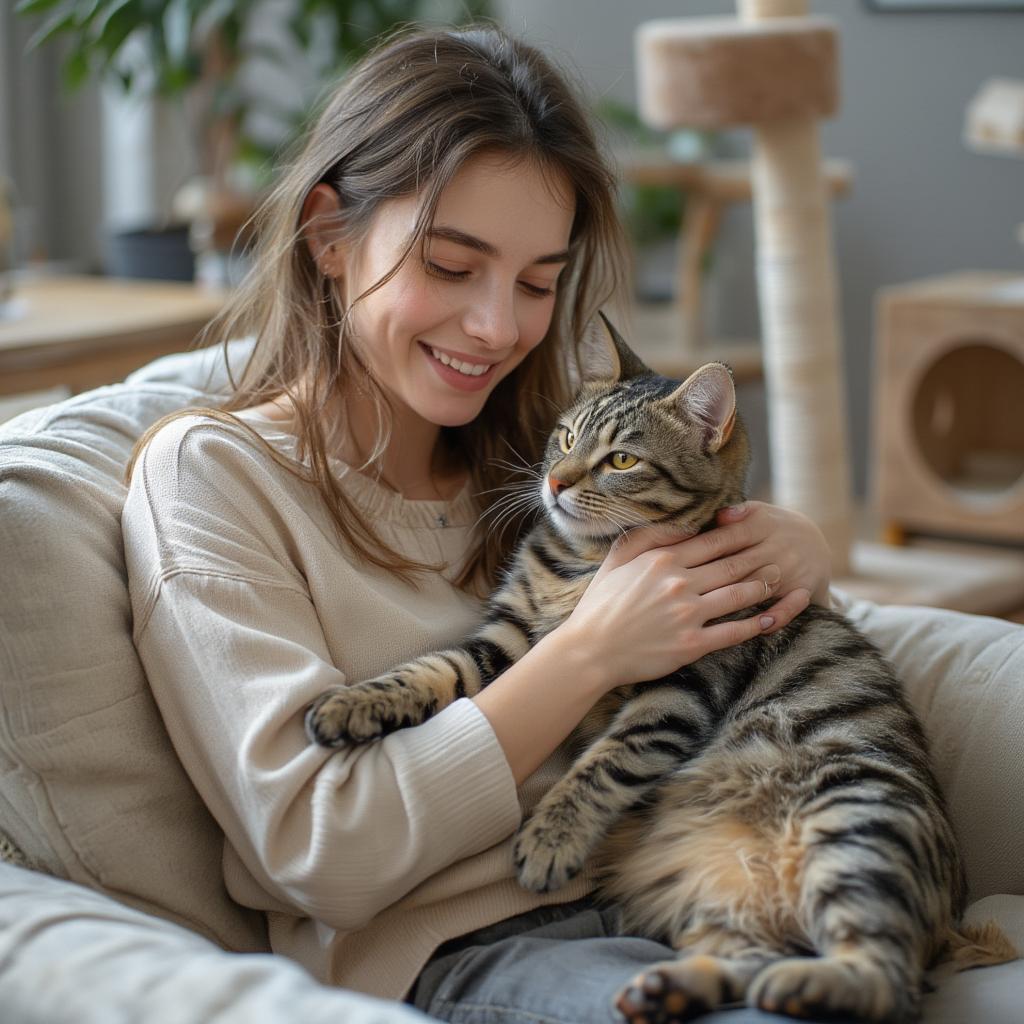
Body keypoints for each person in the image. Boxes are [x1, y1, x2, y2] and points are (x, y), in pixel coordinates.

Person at [121, 24, 831, 1024]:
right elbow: (324, 851)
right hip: (462, 952)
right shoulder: (213, 480)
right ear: (329, 235)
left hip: (671, 887)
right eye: (452, 267)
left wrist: (792, 547)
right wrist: (585, 653)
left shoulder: (548, 453)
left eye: (538, 283)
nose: (499, 326)